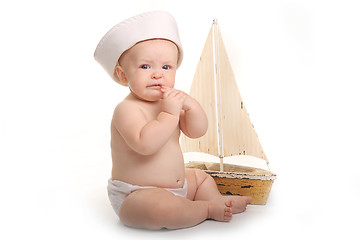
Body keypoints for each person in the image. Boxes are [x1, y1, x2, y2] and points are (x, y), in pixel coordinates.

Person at [94, 11, 251, 230]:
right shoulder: (127, 110)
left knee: (201, 178)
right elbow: (145, 144)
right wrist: (169, 114)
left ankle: (213, 200)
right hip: (138, 194)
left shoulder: (171, 102)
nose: (158, 74)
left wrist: (191, 106)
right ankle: (206, 209)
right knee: (160, 209)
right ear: (123, 75)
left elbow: (196, 131)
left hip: (179, 185)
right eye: (145, 66)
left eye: (166, 67)